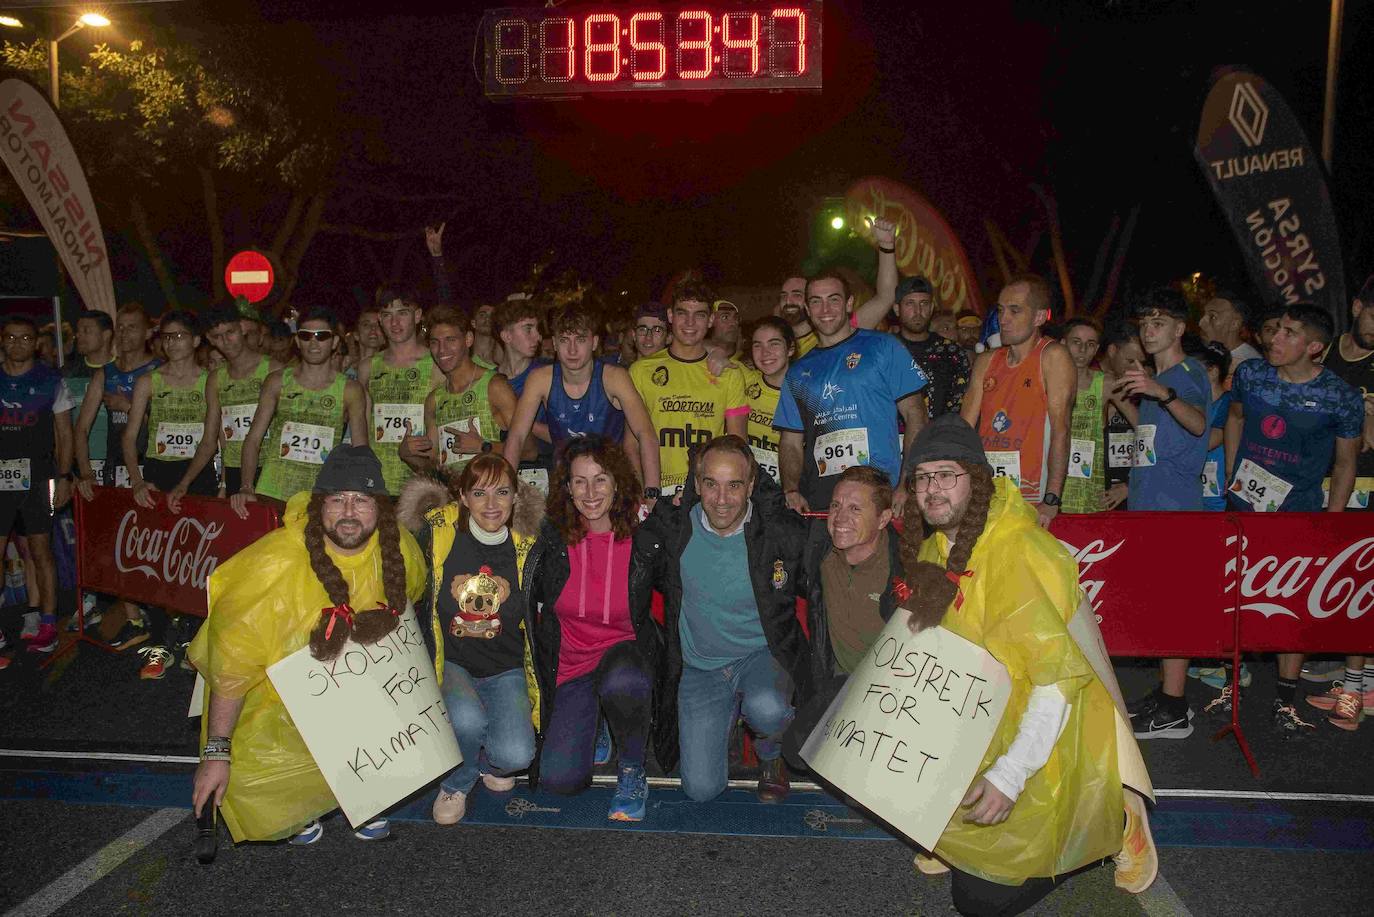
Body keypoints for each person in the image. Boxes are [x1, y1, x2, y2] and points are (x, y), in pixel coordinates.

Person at [899, 414, 1156, 912]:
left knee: (978, 902)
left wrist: (1011, 773)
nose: (932, 489)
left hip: (1055, 728)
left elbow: (1055, 682)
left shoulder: (1018, 550)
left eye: (946, 474)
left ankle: (1115, 818)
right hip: (983, 718)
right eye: (923, 477)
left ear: (977, 479)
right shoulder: (935, 545)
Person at [190, 445, 425, 844]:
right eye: (336, 499)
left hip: (357, 694)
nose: (348, 512)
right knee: (250, 771)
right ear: (318, 506)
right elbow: (231, 669)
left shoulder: (399, 549)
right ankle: (298, 801)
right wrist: (217, 752)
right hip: (278, 703)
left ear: (380, 508)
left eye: (361, 499)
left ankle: (366, 785)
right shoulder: (274, 565)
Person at [640, 435, 810, 804]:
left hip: (760, 657)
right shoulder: (673, 530)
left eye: (734, 485)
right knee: (701, 790)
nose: (721, 499)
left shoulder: (778, 532)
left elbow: (824, 579)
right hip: (700, 667)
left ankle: (770, 753)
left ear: (751, 485)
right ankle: (727, 716)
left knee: (768, 708)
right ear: (696, 483)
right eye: (711, 484)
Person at [1224, 303, 1363, 736]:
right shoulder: (1251, 374)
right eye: (1276, 329)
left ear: (1314, 347)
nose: (1275, 338)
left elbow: (1345, 463)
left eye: (1288, 333)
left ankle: (1285, 700)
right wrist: (1231, 474)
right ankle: (1230, 687)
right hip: (1243, 507)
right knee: (1235, 600)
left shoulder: (1340, 395)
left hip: (1298, 514)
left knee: (1290, 609)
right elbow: (1235, 417)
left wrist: (1332, 522)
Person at [397, 453, 541, 826]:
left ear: (516, 496)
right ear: (462, 497)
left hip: (506, 667)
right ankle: (456, 782)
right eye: (479, 493)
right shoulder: (438, 535)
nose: (491, 504)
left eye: (502, 492)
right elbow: (400, 578)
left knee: (515, 757)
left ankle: (484, 762)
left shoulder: (531, 544)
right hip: (452, 662)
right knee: (466, 720)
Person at [524, 436, 663, 821]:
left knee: (623, 682)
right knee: (560, 780)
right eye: (579, 481)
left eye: (600, 480)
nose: (590, 493)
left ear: (617, 482)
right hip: (572, 665)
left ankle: (632, 769)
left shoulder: (646, 537)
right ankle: (597, 720)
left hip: (624, 659)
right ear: (567, 488)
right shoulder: (550, 538)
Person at [1115, 291, 1212, 740]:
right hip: (1152, 505)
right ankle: (1166, 694)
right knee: (1160, 606)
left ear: (1179, 329)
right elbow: (1153, 439)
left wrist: (1162, 392)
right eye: (1144, 323)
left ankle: (1174, 708)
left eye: (1159, 322)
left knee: (1173, 608)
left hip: (1175, 510)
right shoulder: (1160, 379)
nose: (1148, 330)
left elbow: (1198, 424)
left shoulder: (1186, 374)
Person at [775, 270, 929, 517]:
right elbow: (790, 442)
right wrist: (791, 490)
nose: (825, 309)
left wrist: (907, 483)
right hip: (821, 501)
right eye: (816, 301)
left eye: (833, 299)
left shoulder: (883, 346)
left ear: (849, 304)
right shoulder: (797, 373)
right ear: (807, 309)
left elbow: (916, 415)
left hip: (881, 495)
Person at [1303, 281, 1374, 728]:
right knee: (1337, 584)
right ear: (1357, 306)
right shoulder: (1323, 352)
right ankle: (1357, 680)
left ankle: (1357, 688)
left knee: (1362, 586)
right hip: (1319, 483)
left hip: (1367, 486)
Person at [960, 273, 1076, 529]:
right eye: (1001, 310)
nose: (1003, 319)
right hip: (986, 492)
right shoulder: (986, 361)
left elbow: (1062, 430)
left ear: (1039, 317)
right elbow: (963, 429)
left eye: (1015, 311)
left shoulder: (1053, 356)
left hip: (1031, 496)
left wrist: (1052, 498)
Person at [504, 307, 661, 494]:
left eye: (580, 340)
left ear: (594, 342)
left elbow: (646, 434)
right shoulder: (540, 379)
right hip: (567, 484)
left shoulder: (614, 377)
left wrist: (652, 493)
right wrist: (505, 489)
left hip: (612, 484)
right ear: (554, 344)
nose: (572, 350)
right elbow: (516, 436)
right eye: (564, 340)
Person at [232, 308, 368, 516]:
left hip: (322, 497)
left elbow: (360, 450)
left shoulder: (350, 389)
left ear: (334, 342)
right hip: (273, 492)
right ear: (297, 341)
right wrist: (246, 487)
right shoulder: (277, 381)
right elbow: (253, 439)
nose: (313, 343)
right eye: (306, 336)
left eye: (321, 336)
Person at [0, 315, 74, 665]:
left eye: (25, 338)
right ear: (2, 341)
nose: (18, 344)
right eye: (11, 338)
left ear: (36, 343)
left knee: (41, 550)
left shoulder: (51, 380)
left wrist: (65, 476)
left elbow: (65, 433)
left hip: (39, 476)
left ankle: (47, 623)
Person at [628, 284, 748, 496]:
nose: (690, 323)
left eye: (699, 315)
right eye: (682, 313)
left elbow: (738, 445)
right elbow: (631, 444)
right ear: (670, 316)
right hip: (657, 492)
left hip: (708, 493)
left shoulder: (730, 374)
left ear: (710, 320)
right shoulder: (641, 371)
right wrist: (642, 493)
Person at [357, 289, 439, 497]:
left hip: (422, 484)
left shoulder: (437, 365)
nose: (395, 323)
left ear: (417, 316)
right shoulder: (367, 367)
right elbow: (362, 427)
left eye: (402, 313)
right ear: (380, 319)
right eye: (387, 315)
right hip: (378, 484)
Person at [419, 307, 518, 472]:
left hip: (490, 486)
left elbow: (529, 450)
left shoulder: (494, 386)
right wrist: (408, 455)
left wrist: (484, 446)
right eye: (435, 342)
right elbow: (433, 464)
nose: (442, 350)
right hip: (451, 488)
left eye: (450, 340)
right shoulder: (434, 400)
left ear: (468, 339)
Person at [204, 306, 277, 496]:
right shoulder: (216, 378)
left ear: (242, 328)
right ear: (210, 339)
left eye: (230, 332)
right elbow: (212, 439)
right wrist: (185, 483)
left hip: (271, 468)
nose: (226, 341)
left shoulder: (274, 370)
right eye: (218, 336)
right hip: (234, 468)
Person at [891, 274, 971, 419]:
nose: (918, 311)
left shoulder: (951, 352)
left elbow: (963, 405)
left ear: (932, 307)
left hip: (943, 431)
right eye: (910, 303)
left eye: (924, 303)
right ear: (897, 309)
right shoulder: (885, 350)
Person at [494, 297, 554, 492]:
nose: (538, 337)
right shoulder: (489, 381)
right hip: (502, 473)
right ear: (506, 336)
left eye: (537, 329)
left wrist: (519, 419)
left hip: (547, 472)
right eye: (528, 329)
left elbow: (564, 436)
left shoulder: (549, 374)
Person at [1059, 318, 1107, 514]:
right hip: (1051, 491)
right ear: (1063, 344)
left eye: (1090, 344)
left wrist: (1128, 484)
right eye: (1076, 342)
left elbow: (1143, 426)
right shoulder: (1044, 383)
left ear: (1096, 350)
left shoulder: (1105, 384)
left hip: (1089, 493)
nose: (1082, 349)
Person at [1099, 321, 1147, 511]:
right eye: (1130, 361)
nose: (1137, 369)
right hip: (1089, 484)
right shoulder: (1085, 379)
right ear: (1112, 350)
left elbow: (1151, 439)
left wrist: (1129, 485)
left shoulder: (1146, 386)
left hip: (1126, 489)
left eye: (1142, 363)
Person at [742, 318, 795, 485]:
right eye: (758, 345)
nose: (765, 353)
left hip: (786, 489)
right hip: (744, 484)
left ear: (790, 349)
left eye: (774, 344)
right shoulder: (741, 380)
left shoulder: (807, 394)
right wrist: (717, 354)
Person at [1198, 290, 1262, 373]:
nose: (1201, 323)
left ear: (1234, 324)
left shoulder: (1248, 366)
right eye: (1203, 314)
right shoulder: (1207, 353)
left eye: (1212, 317)